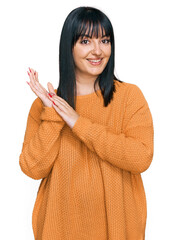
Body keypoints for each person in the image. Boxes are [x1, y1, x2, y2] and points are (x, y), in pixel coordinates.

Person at [19, 6, 154, 240]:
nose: (98, 50)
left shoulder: (129, 97)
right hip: (58, 231)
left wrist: (78, 123)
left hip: (118, 231)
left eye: (105, 40)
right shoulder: (45, 107)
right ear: (68, 47)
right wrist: (53, 114)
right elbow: (32, 168)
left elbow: (140, 157)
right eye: (85, 41)